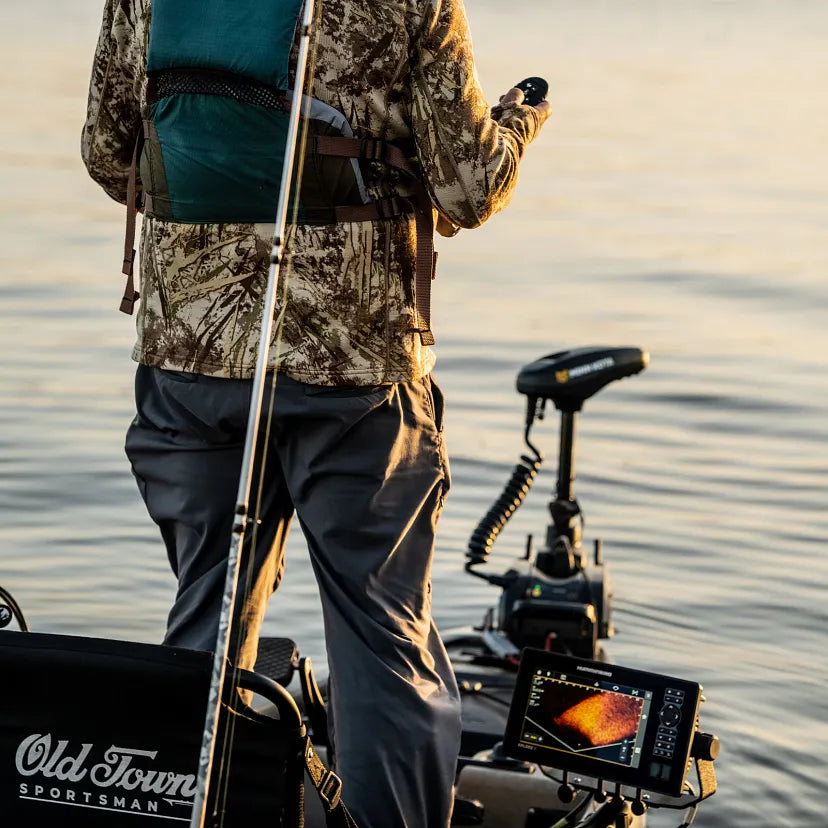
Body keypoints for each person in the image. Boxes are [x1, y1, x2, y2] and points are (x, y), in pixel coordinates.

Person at [82, 0, 550, 825]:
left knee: (209, 608)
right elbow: (469, 189)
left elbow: (106, 151)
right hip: (356, 371)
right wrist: (520, 120)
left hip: (190, 357)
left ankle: (185, 809)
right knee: (382, 637)